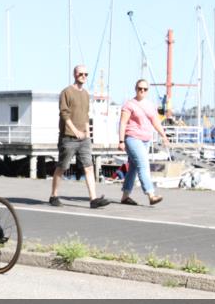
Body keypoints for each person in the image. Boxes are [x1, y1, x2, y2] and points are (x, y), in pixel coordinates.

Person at [49, 65, 110, 209]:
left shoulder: (86, 94)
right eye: (80, 73)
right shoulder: (66, 92)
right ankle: (54, 195)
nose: (83, 76)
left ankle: (93, 199)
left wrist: (87, 133)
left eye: (86, 74)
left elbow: (86, 116)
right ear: (74, 74)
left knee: (89, 167)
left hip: (84, 138)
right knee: (62, 167)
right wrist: (75, 130)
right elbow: (64, 114)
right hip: (68, 138)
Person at [118, 79, 171, 205]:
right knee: (143, 164)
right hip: (132, 138)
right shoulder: (129, 104)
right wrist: (121, 141)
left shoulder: (150, 105)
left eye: (145, 89)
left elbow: (155, 121)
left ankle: (125, 196)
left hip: (146, 140)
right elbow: (123, 123)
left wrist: (163, 135)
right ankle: (151, 194)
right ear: (135, 89)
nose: (142, 91)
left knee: (133, 168)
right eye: (140, 88)